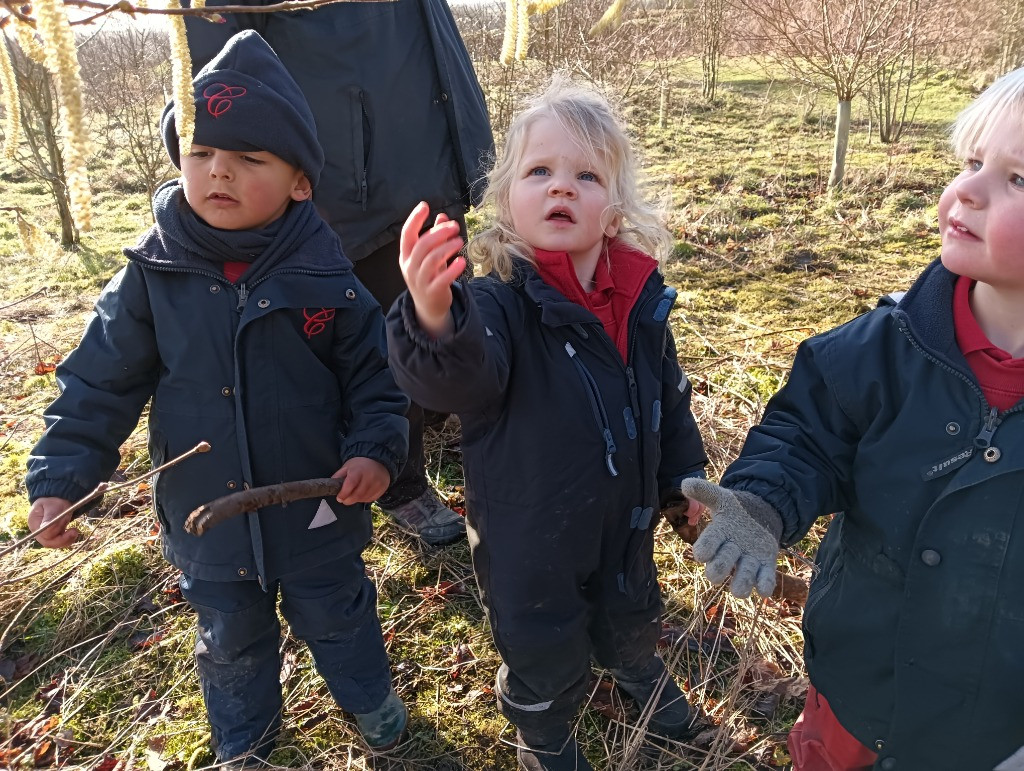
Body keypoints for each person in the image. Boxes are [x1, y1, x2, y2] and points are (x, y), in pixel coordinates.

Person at [26, 31, 410, 766]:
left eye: (248, 160)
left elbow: (377, 375)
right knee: (229, 638)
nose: (219, 173)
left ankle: (372, 703)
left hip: (318, 507)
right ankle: (246, 739)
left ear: (300, 181)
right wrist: (63, 479)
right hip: (205, 517)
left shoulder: (325, 274)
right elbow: (97, 380)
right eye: (202, 154)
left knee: (339, 615)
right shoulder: (153, 273)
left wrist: (376, 449)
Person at [679, 66, 1024, 771]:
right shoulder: (883, 348)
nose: (967, 190)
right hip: (858, 688)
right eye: (971, 162)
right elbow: (804, 436)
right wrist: (761, 502)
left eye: (1018, 179)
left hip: (996, 727)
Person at [385, 77, 708, 771]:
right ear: (507, 201)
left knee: (632, 610)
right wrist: (434, 316)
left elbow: (668, 403)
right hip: (531, 538)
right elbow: (458, 376)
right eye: (540, 171)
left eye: (586, 175)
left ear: (614, 210)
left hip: (625, 521)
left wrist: (684, 489)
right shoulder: (497, 308)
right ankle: (543, 730)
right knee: (543, 645)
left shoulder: (639, 307)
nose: (561, 187)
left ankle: (637, 674)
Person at [183, 0, 495, 547]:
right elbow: (219, 41)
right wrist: (235, 165)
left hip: (426, 139)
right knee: (372, 328)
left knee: (438, 295)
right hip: (346, 176)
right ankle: (398, 479)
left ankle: (437, 413)